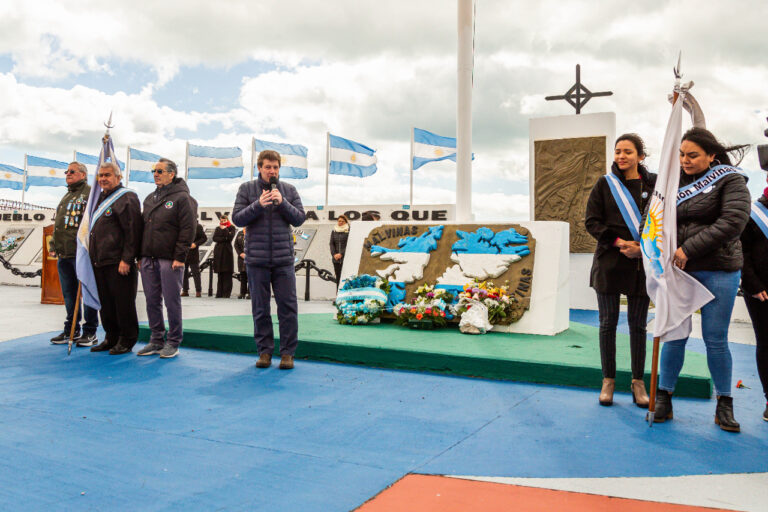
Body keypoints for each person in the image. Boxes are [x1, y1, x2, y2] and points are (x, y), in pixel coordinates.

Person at [653, 127, 751, 432]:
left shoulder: (731, 180)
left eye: (692, 155)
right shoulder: (670, 182)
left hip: (719, 270)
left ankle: (724, 404)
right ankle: (664, 398)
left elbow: (733, 221)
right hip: (679, 272)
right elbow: (653, 217)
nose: (685, 160)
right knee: (674, 335)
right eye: (681, 154)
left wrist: (688, 248)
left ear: (711, 156)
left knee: (715, 339)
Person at [585, 134, 657, 407]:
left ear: (641, 156)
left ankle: (638, 382)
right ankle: (608, 381)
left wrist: (643, 247)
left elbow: (663, 221)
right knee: (607, 324)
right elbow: (592, 222)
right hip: (609, 262)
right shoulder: (605, 184)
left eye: (628, 151)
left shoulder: (654, 184)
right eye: (617, 151)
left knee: (638, 325)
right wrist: (617, 242)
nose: (621, 156)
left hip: (641, 262)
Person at [232, 150, 305, 370]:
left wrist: (282, 203)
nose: (271, 171)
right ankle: (264, 352)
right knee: (260, 309)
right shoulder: (246, 189)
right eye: (267, 167)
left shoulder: (289, 190)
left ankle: (287, 353)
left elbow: (299, 218)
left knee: (288, 307)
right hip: (257, 260)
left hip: (283, 260)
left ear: (279, 169)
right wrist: (257, 205)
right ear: (259, 168)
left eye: (275, 167)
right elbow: (236, 218)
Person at [137, 158, 196, 359]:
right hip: (148, 258)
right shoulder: (149, 198)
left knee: (172, 301)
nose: (156, 174)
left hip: (170, 259)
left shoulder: (182, 198)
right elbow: (142, 229)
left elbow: (188, 229)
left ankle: (173, 341)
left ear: (172, 174)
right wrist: (140, 255)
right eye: (154, 170)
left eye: (160, 171)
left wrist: (180, 256)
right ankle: (156, 339)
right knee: (152, 300)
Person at [87, 162, 143, 354]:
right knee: (107, 304)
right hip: (99, 261)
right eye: (100, 175)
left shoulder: (127, 197)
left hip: (118, 262)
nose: (103, 179)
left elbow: (133, 231)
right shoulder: (99, 199)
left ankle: (127, 339)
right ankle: (111, 337)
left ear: (118, 177)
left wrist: (127, 259)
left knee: (123, 303)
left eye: (107, 175)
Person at [48, 161, 100, 347]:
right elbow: (60, 225)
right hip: (64, 254)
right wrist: (54, 244)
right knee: (69, 295)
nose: (68, 174)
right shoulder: (66, 196)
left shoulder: (90, 194)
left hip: (82, 255)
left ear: (83, 175)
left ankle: (90, 331)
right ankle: (71, 329)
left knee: (87, 293)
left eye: (72, 172)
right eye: (66, 171)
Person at [739, 169, 768, 422]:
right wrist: (754, 284)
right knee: (767, 344)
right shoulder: (753, 214)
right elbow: (742, 252)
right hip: (761, 292)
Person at [212, 215, 236, 298]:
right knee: (220, 273)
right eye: (221, 220)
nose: (222, 222)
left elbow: (229, 238)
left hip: (227, 252)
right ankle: (219, 293)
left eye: (224, 220)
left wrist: (225, 230)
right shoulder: (217, 228)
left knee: (227, 273)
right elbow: (215, 238)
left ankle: (226, 293)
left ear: (227, 219)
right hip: (218, 252)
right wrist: (224, 237)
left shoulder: (232, 227)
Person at [182, 222, 207, 298]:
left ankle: (198, 291)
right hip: (183, 252)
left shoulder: (198, 226)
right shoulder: (182, 224)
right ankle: (185, 290)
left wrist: (195, 244)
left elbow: (204, 238)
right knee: (183, 273)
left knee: (196, 273)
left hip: (193, 254)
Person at [330, 214, 350, 288]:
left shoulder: (349, 230)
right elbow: (331, 244)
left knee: (346, 278)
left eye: (342, 221)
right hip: (336, 259)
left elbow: (349, 244)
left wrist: (341, 254)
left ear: (346, 222)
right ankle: (338, 296)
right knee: (338, 278)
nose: (340, 222)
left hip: (345, 258)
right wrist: (334, 254)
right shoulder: (334, 230)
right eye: (339, 221)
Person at [234, 227, 249, 299]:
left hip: (250, 257)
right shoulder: (239, 233)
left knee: (251, 276)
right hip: (241, 258)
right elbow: (236, 245)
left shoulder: (253, 232)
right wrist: (240, 253)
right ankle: (242, 293)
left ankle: (250, 293)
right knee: (243, 276)